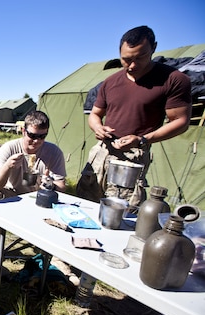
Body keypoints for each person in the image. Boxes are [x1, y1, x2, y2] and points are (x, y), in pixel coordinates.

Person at [76, 25, 192, 206]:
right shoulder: (110, 82)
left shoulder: (173, 79)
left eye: (140, 58)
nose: (132, 65)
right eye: (126, 59)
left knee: (120, 208)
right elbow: (95, 114)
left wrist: (142, 140)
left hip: (132, 156)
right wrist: (97, 127)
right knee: (85, 202)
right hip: (102, 151)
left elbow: (181, 121)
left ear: (153, 48)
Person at [0, 110, 66, 264]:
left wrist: (50, 185)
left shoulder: (54, 152)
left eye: (42, 136)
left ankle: (59, 258)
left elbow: (62, 186)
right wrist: (8, 166)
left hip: (39, 198)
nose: (37, 141)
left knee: (65, 207)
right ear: (23, 131)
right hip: (13, 195)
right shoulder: (9, 148)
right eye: (33, 136)